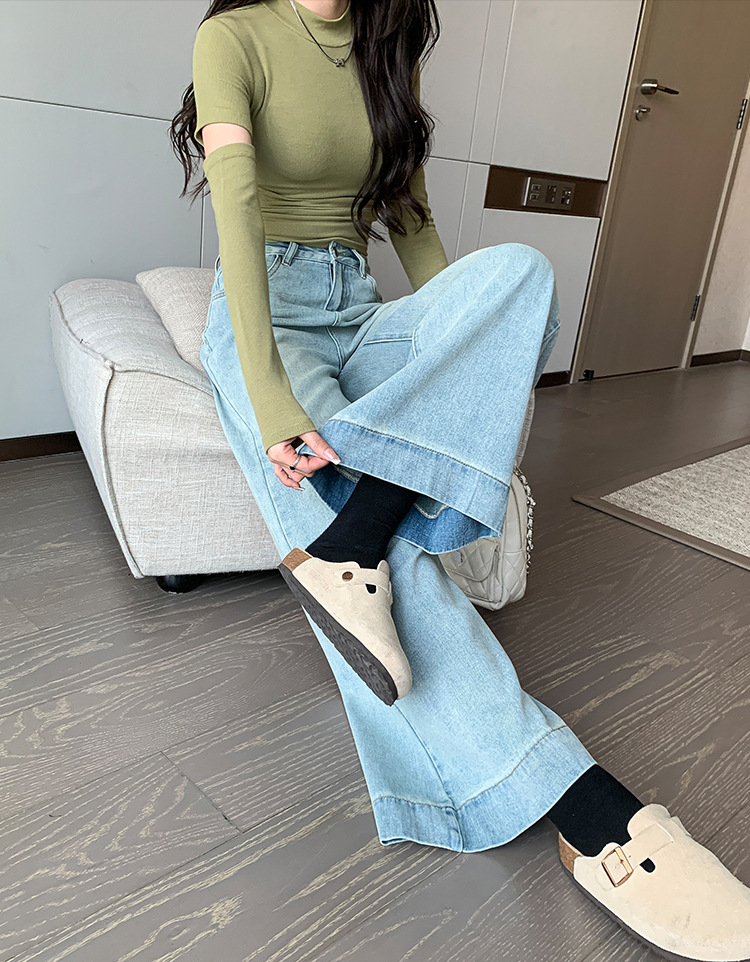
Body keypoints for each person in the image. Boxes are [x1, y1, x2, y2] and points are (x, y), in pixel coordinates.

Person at [170, 1, 750, 958]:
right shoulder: (232, 37)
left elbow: (410, 216)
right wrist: (268, 393)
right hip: (266, 315)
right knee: (390, 552)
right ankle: (593, 814)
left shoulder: (385, 46)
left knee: (519, 275)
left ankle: (349, 549)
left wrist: (468, 359)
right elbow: (235, 206)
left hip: (360, 307)